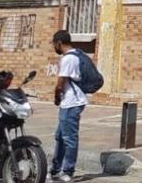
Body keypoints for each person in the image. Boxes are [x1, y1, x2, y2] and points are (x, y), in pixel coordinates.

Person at [51, 30, 87, 182]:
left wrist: (56, 97)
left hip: (72, 103)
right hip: (70, 102)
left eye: (54, 44)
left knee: (69, 138)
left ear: (59, 43)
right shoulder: (76, 55)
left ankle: (68, 171)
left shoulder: (68, 59)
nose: (54, 47)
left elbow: (60, 84)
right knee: (60, 136)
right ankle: (55, 169)